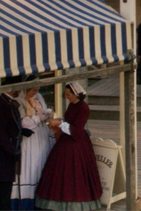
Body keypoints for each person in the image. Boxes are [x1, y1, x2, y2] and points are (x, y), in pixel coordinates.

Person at [35, 83, 102, 211]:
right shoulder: (72, 105)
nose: (67, 97)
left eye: (68, 95)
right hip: (66, 140)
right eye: (66, 94)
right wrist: (59, 121)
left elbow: (76, 129)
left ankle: (75, 203)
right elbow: (68, 121)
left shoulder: (84, 108)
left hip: (77, 142)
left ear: (76, 94)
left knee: (75, 172)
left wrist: (59, 123)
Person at [11, 76, 55, 211]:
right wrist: (38, 118)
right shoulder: (19, 101)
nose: (35, 92)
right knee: (29, 165)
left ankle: (40, 197)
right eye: (33, 90)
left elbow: (43, 110)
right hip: (28, 140)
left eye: (37, 89)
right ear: (26, 88)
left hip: (40, 136)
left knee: (39, 164)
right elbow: (23, 122)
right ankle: (25, 200)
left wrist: (47, 113)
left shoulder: (38, 97)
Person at [0, 75, 26, 211]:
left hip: (7, 150)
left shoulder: (8, 101)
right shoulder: (2, 103)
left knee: (4, 185)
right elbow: (0, 131)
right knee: (2, 186)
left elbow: (11, 125)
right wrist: (11, 150)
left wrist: (22, 130)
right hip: (2, 152)